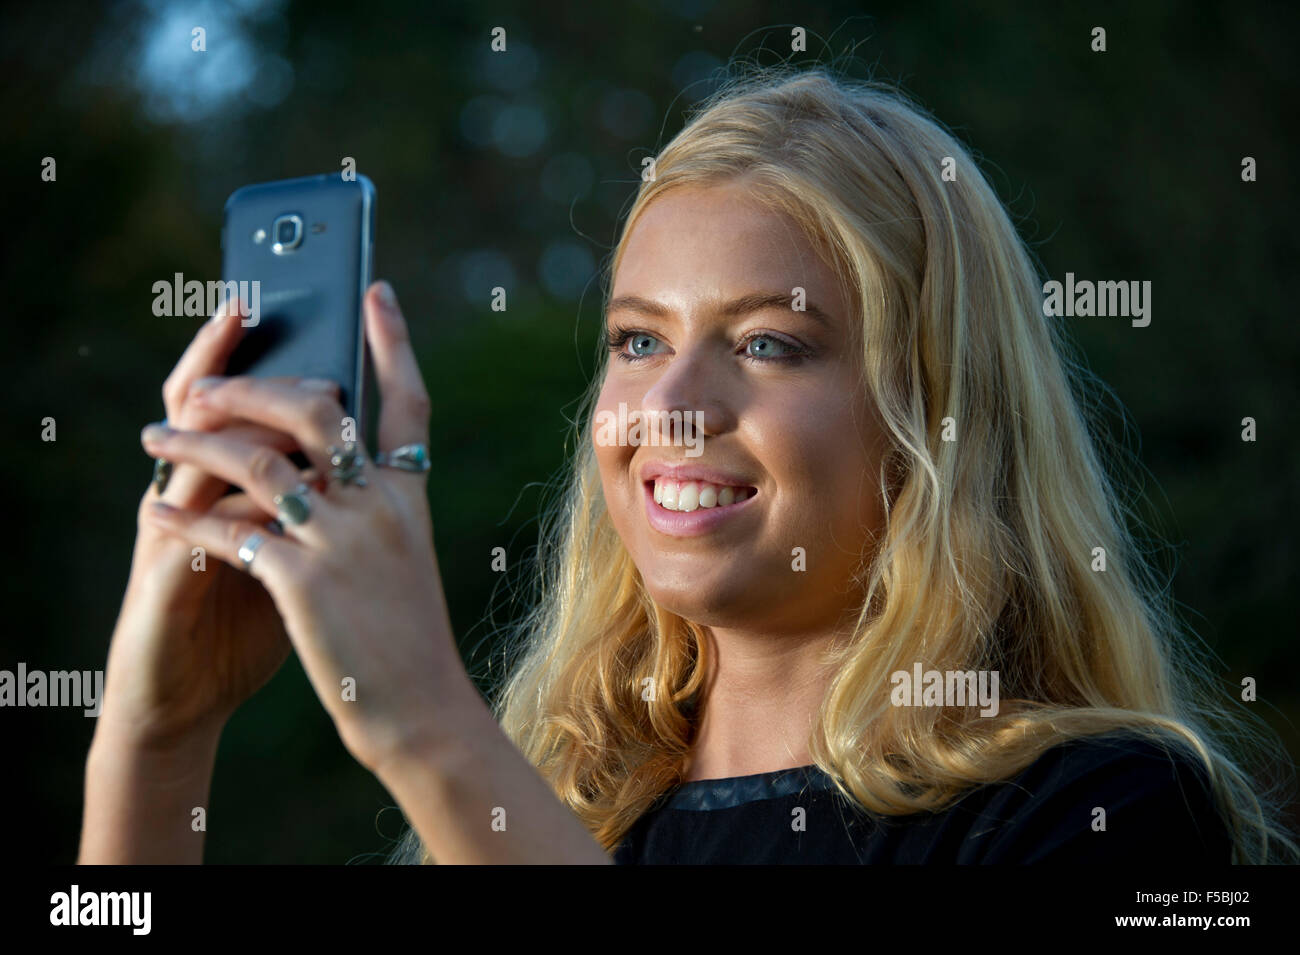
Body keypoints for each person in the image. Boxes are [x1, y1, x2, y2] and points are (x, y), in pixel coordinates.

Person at [79, 66, 1296, 865]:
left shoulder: (1107, 812)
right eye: (636, 340)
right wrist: (155, 739)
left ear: (939, 414)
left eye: (769, 343)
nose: (666, 406)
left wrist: (428, 727)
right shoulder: (557, 815)